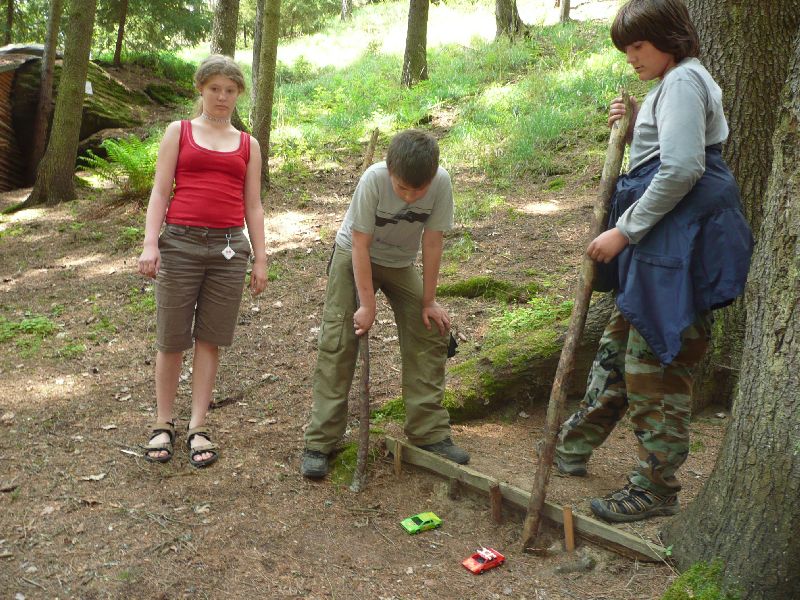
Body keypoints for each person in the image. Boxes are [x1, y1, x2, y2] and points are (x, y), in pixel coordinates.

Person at [553, 0, 753, 522]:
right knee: (620, 347)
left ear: (668, 38)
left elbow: (682, 167)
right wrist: (639, 124)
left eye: (638, 46)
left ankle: (657, 487)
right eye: (626, 49)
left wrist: (624, 230)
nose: (631, 58)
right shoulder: (675, 83)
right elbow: (667, 149)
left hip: (675, 245)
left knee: (657, 358)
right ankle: (570, 445)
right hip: (664, 240)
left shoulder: (684, 82)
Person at [300, 129, 468, 478]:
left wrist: (429, 301)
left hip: (400, 263)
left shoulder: (441, 182)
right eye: (402, 188)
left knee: (429, 330)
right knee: (339, 340)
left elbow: (433, 241)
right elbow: (360, 245)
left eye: (418, 191)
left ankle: (429, 432)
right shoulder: (374, 179)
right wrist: (366, 304)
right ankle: (320, 442)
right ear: (390, 170)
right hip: (354, 256)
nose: (409, 197)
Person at [137, 55, 267, 468]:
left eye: (229, 90)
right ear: (201, 89)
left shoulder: (248, 144)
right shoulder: (180, 132)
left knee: (210, 339)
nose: (222, 97)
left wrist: (261, 258)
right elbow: (160, 192)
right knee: (171, 337)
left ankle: (198, 426)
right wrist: (150, 244)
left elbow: (253, 205)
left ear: (238, 94)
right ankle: (163, 422)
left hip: (229, 250)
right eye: (214, 89)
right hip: (180, 244)